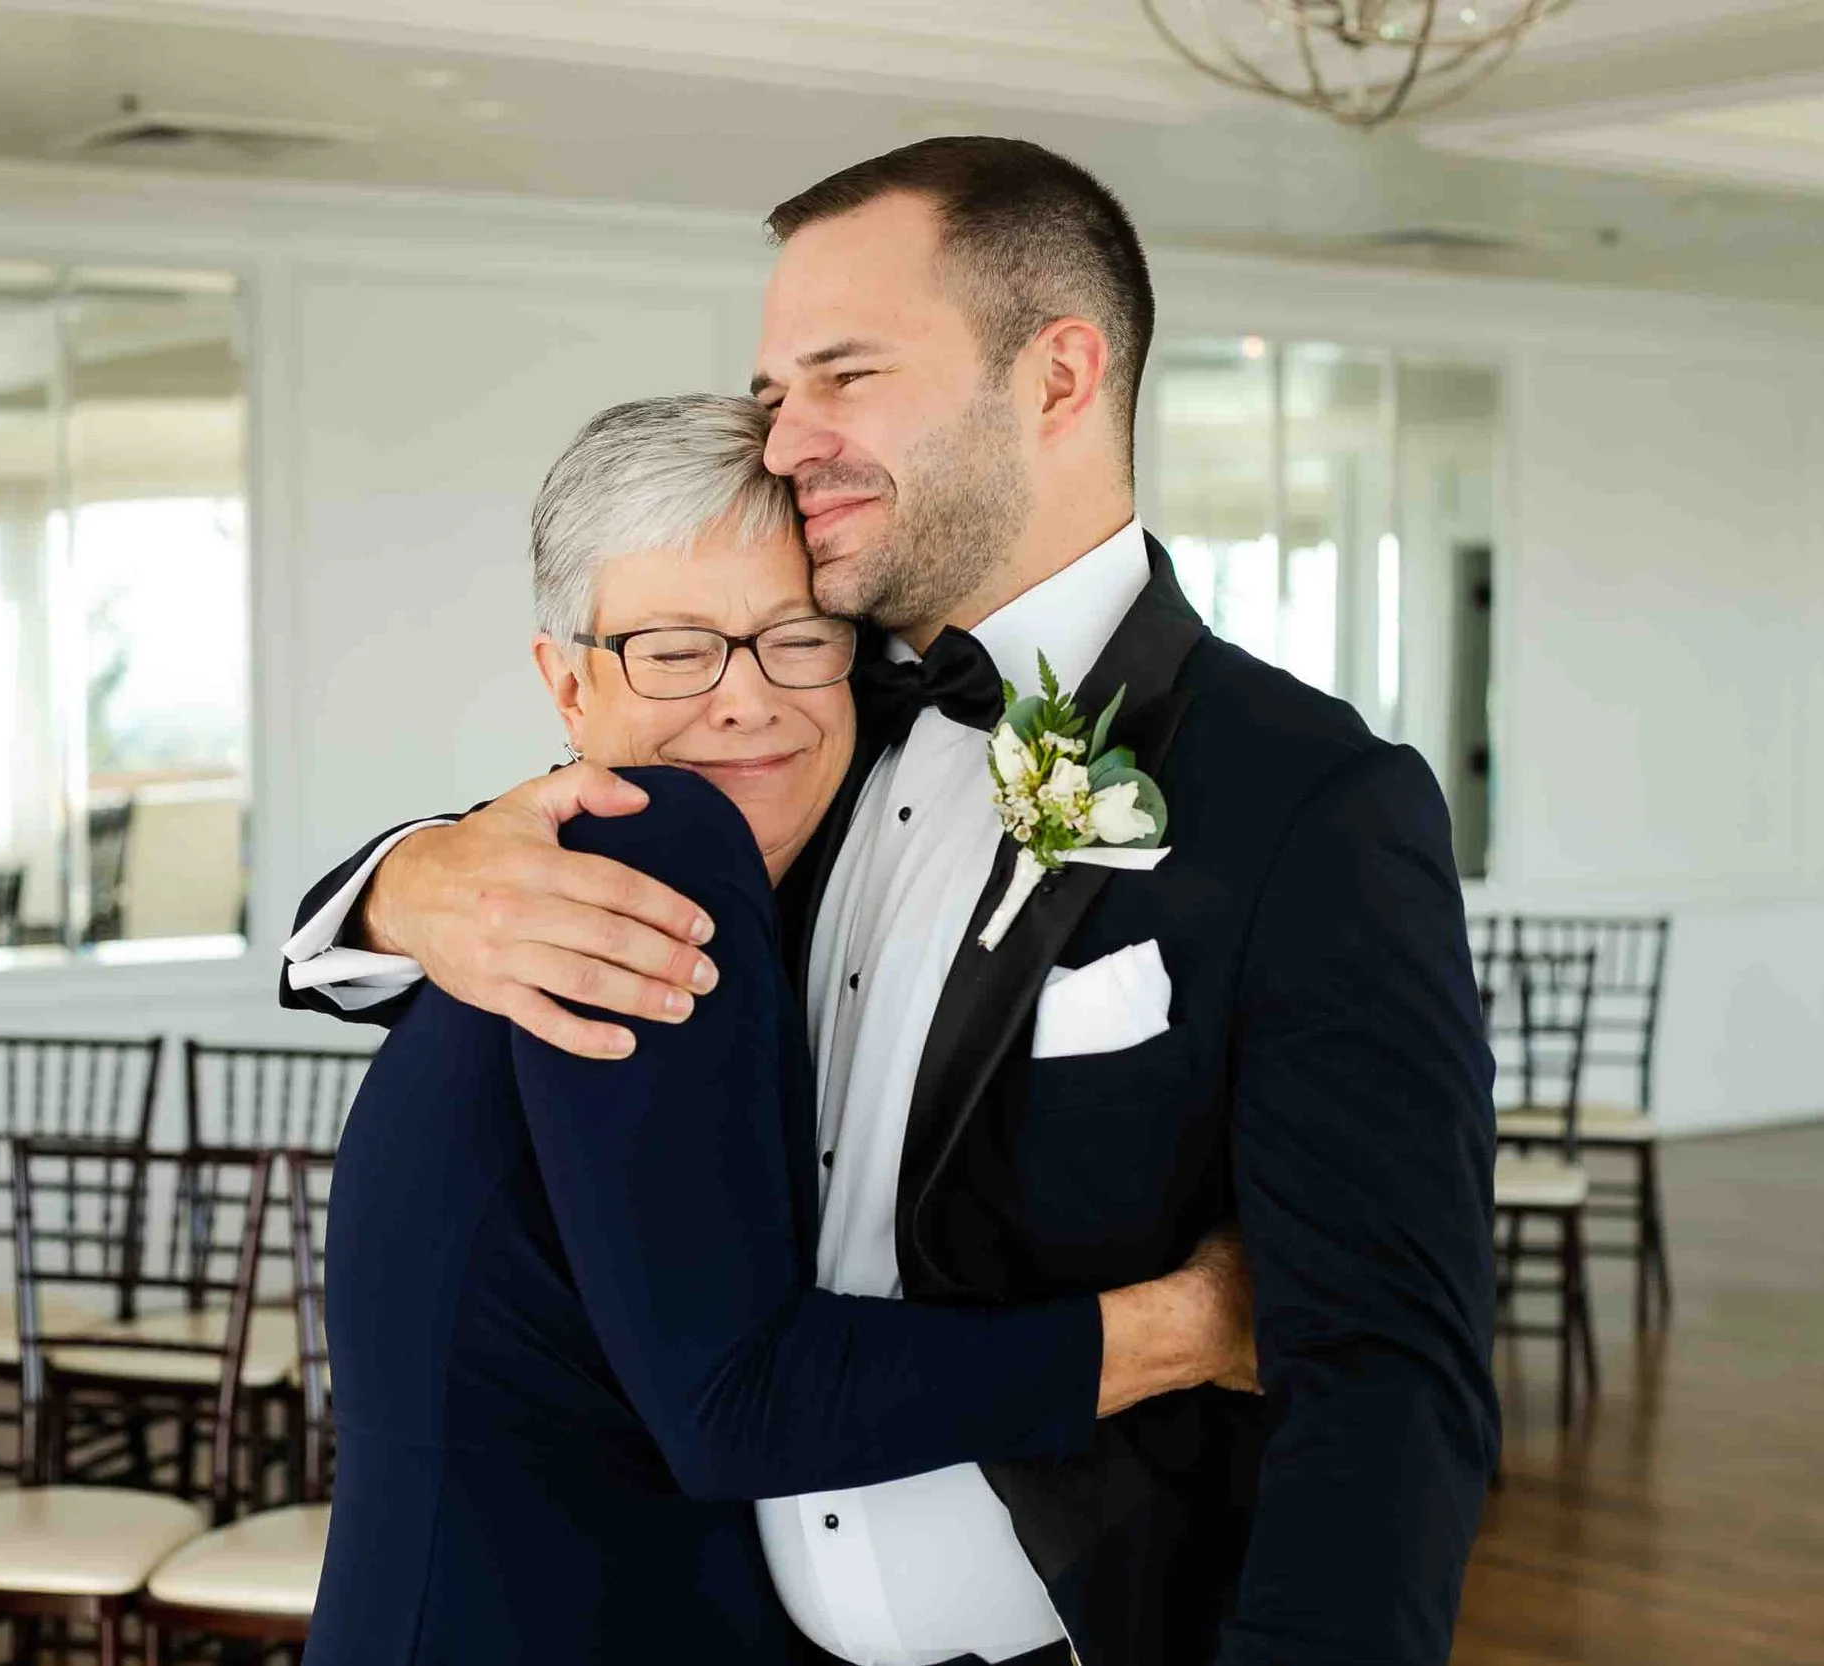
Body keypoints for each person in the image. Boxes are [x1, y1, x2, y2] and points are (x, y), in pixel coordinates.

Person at [287, 140, 1500, 1666]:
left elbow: (1386, 1382)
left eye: (842, 376)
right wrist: (395, 883)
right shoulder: (797, 719)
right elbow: (567, 834)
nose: (787, 440)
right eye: (773, 389)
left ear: (1059, 374)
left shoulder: (1311, 803)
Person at [305, 394, 1258, 1665]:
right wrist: (1192, 1326)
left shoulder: (675, 861)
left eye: (792, 638)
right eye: (673, 649)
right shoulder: (658, 845)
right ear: (569, 684)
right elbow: (735, 1407)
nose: (745, 702)